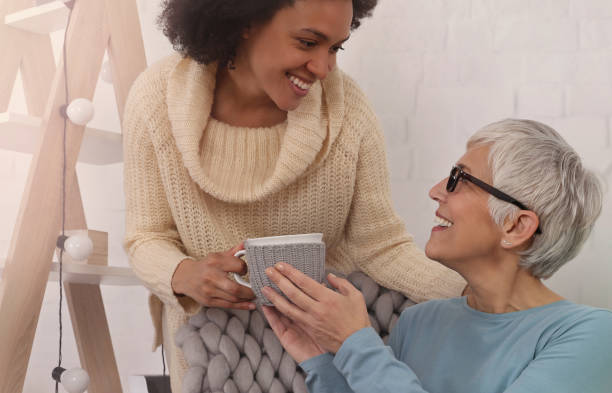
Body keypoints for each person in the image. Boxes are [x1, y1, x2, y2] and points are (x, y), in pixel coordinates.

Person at [122, 0, 464, 391]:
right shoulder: (157, 98)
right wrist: (183, 274)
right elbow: (146, 236)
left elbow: (381, 246)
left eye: (336, 48)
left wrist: (481, 294)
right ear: (245, 21)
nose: (322, 68)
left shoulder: (347, 111)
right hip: (216, 356)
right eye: (307, 43)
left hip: (327, 355)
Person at [262, 119, 612, 393]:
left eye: (460, 179)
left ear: (516, 226)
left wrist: (356, 345)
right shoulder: (419, 322)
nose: (435, 191)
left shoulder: (592, 336)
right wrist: (322, 361)